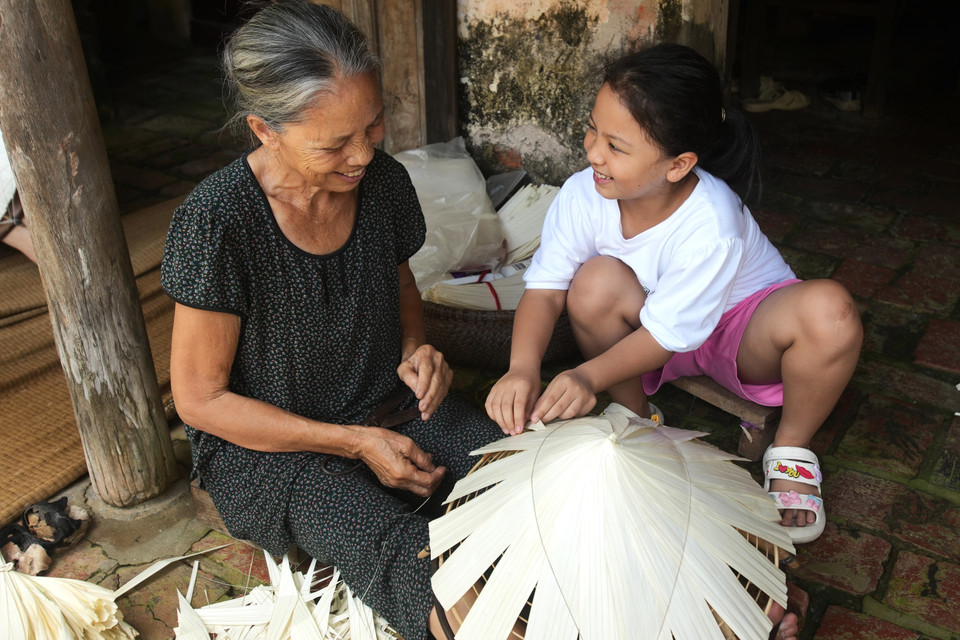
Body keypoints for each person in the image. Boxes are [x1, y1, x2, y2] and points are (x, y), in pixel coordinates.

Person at [160, 3, 501, 639]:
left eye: (372, 128)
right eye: (335, 143)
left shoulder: (384, 183)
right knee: (404, 550)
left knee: (512, 472)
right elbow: (200, 400)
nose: (363, 155)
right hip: (270, 452)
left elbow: (398, 281)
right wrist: (350, 443)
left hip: (388, 401)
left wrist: (417, 348)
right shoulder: (217, 223)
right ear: (265, 129)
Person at [485, 39, 861, 615]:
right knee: (592, 282)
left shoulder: (713, 220)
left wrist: (584, 376)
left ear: (679, 165)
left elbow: (674, 333)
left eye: (616, 145)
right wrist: (521, 368)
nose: (593, 153)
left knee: (831, 314)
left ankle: (790, 449)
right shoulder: (584, 196)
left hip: (741, 332)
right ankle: (635, 418)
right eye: (592, 131)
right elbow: (546, 289)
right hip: (653, 326)